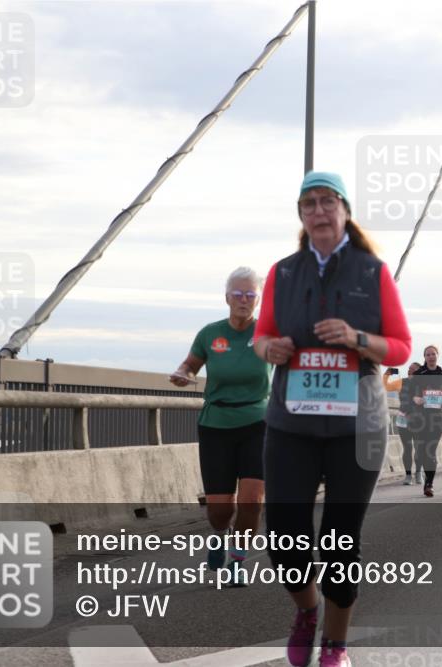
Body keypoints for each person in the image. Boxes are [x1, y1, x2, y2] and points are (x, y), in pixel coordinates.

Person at [253, 171, 412, 667]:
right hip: (291, 426)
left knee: (340, 545)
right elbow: (260, 337)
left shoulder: (373, 272)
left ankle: (336, 645)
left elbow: (401, 348)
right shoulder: (282, 273)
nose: (319, 211)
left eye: (327, 201)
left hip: (356, 429)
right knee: (284, 541)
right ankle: (307, 611)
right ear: (301, 215)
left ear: (344, 210)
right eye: (309, 204)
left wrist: (356, 338)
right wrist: (270, 349)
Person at [170, 266, 269, 586]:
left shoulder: (268, 333)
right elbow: (190, 365)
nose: (244, 300)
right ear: (227, 298)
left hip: (258, 423)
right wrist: (183, 374)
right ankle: (219, 533)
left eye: (250, 295)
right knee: (220, 510)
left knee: (252, 501)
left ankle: (237, 561)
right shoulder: (210, 334)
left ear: (258, 299)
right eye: (238, 294)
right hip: (216, 425)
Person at [412, 345, 442, 497]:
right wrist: (415, 399)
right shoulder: (418, 374)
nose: (431, 357)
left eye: (433, 354)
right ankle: (426, 476)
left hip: (436, 420)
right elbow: (408, 394)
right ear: (424, 357)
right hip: (420, 419)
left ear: (437, 355)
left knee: (430, 451)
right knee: (421, 452)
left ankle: (429, 484)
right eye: (428, 354)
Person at [384, 363, 422, 484]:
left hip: (418, 420)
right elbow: (386, 386)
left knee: (419, 448)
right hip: (403, 419)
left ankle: (418, 473)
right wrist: (387, 374)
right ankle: (408, 475)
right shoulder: (401, 382)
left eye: (413, 369)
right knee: (407, 448)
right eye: (409, 368)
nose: (410, 370)